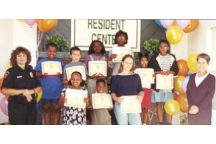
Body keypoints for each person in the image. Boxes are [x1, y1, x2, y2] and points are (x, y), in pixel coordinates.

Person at [1, 46, 42, 125]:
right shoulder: (11, 72)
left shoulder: (31, 71)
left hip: (31, 108)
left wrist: (30, 92)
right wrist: (22, 91)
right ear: (15, 58)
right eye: (19, 56)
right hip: (16, 109)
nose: (22, 58)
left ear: (27, 58)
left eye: (24, 55)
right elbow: (4, 90)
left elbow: (39, 87)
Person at [148, 39, 178, 125]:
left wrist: (170, 72)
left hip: (169, 85)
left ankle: (169, 123)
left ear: (168, 47)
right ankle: (160, 123)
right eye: (161, 46)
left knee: (169, 103)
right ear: (158, 47)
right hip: (158, 85)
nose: (163, 48)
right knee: (159, 103)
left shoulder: (172, 57)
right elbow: (150, 70)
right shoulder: (154, 58)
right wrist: (159, 72)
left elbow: (176, 70)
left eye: (165, 46)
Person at [35, 43, 65, 125]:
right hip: (45, 91)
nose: (52, 53)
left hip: (57, 90)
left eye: (54, 51)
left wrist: (61, 74)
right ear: (46, 51)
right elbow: (35, 74)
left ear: (56, 52)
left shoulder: (60, 62)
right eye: (50, 51)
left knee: (56, 109)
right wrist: (42, 74)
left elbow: (65, 75)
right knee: (46, 110)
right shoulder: (42, 61)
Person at [111, 54, 144, 125]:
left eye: (131, 63)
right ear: (122, 63)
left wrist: (141, 96)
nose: (129, 65)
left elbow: (141, 90)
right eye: (127, 62)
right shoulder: (116, 77)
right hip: (121, 105)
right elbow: (113, 92)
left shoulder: (136, 76)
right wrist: (116, 99)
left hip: (133, 105)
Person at [187, 53, 215, 125]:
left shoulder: (211, 78)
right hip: (192, 110)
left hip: (204, 112)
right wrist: (192, 106)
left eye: (203, 63)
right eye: (199, 63)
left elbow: (209, 96)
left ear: (208, 64)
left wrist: (198, 108)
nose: (201, 65)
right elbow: (188, 93)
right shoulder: (192, 77)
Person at [84, 40, 107, 124]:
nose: (97, 48)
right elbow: (85, 70)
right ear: (92, 47)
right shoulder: (88, 57)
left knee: (101, 101)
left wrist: (104, 76)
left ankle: (101, 120)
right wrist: (90, 75)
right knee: (92, 102)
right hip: (92, 82)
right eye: (95, 46)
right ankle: (93, 120)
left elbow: (106, 71)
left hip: (101, 82)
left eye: (99, 46)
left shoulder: (104, 57)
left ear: (102, 47)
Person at [138, 52, 152, 125]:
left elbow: (152, 80)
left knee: (146, 107)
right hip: (139, 91)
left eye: (145, 60)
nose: (144, 62)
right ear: (139, 61)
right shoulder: (136, 71)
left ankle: (144, 123)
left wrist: (153, 76)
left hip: (147, 89)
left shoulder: (151, 71)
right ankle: (139, 123)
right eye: (142, 60)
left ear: (148, 61)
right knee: (139, 107)